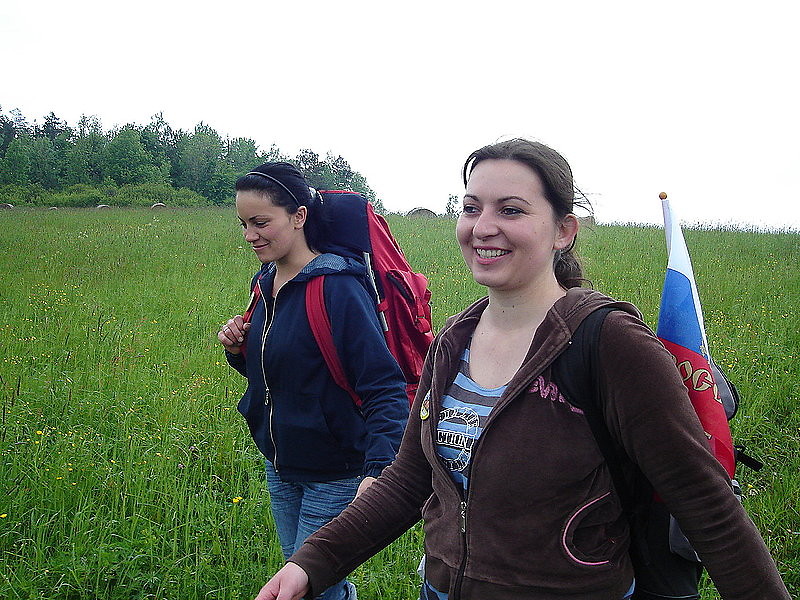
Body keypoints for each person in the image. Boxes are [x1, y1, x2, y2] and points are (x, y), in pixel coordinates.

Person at [253, 141, 790, 600]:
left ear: (563, 231)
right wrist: (310, 565)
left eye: (511, 210)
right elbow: (408, 480)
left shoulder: (610, 344)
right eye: (471, 208)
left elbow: (705, 504)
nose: (483, 227)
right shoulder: (453, 342)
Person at [218, 162, 409, 600]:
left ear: (299, 217)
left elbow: (383, 385)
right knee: (310, 578)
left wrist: (379, 470)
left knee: (309, 586)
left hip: (334, 470)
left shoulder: (338, 287)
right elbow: (280, 373)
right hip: (280, 462)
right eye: (244, 224)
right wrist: (237, 349)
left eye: (260, 222)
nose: (249, 235)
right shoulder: (265, 282)